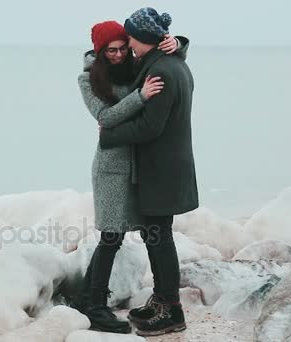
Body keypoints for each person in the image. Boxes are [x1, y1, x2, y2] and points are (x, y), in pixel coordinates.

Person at [77, 20, 190, 334]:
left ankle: (86, 297)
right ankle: (96, 307)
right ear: (100, 52)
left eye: (121, 48)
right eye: (109, 50)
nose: (117, 54)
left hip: (141, 168)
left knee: (149, 234)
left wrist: (177, 43)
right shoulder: (87, 79)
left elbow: (165, 60)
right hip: (112, 169)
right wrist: (139, 97)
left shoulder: (136, 64)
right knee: (110, 237)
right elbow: (105, 117)